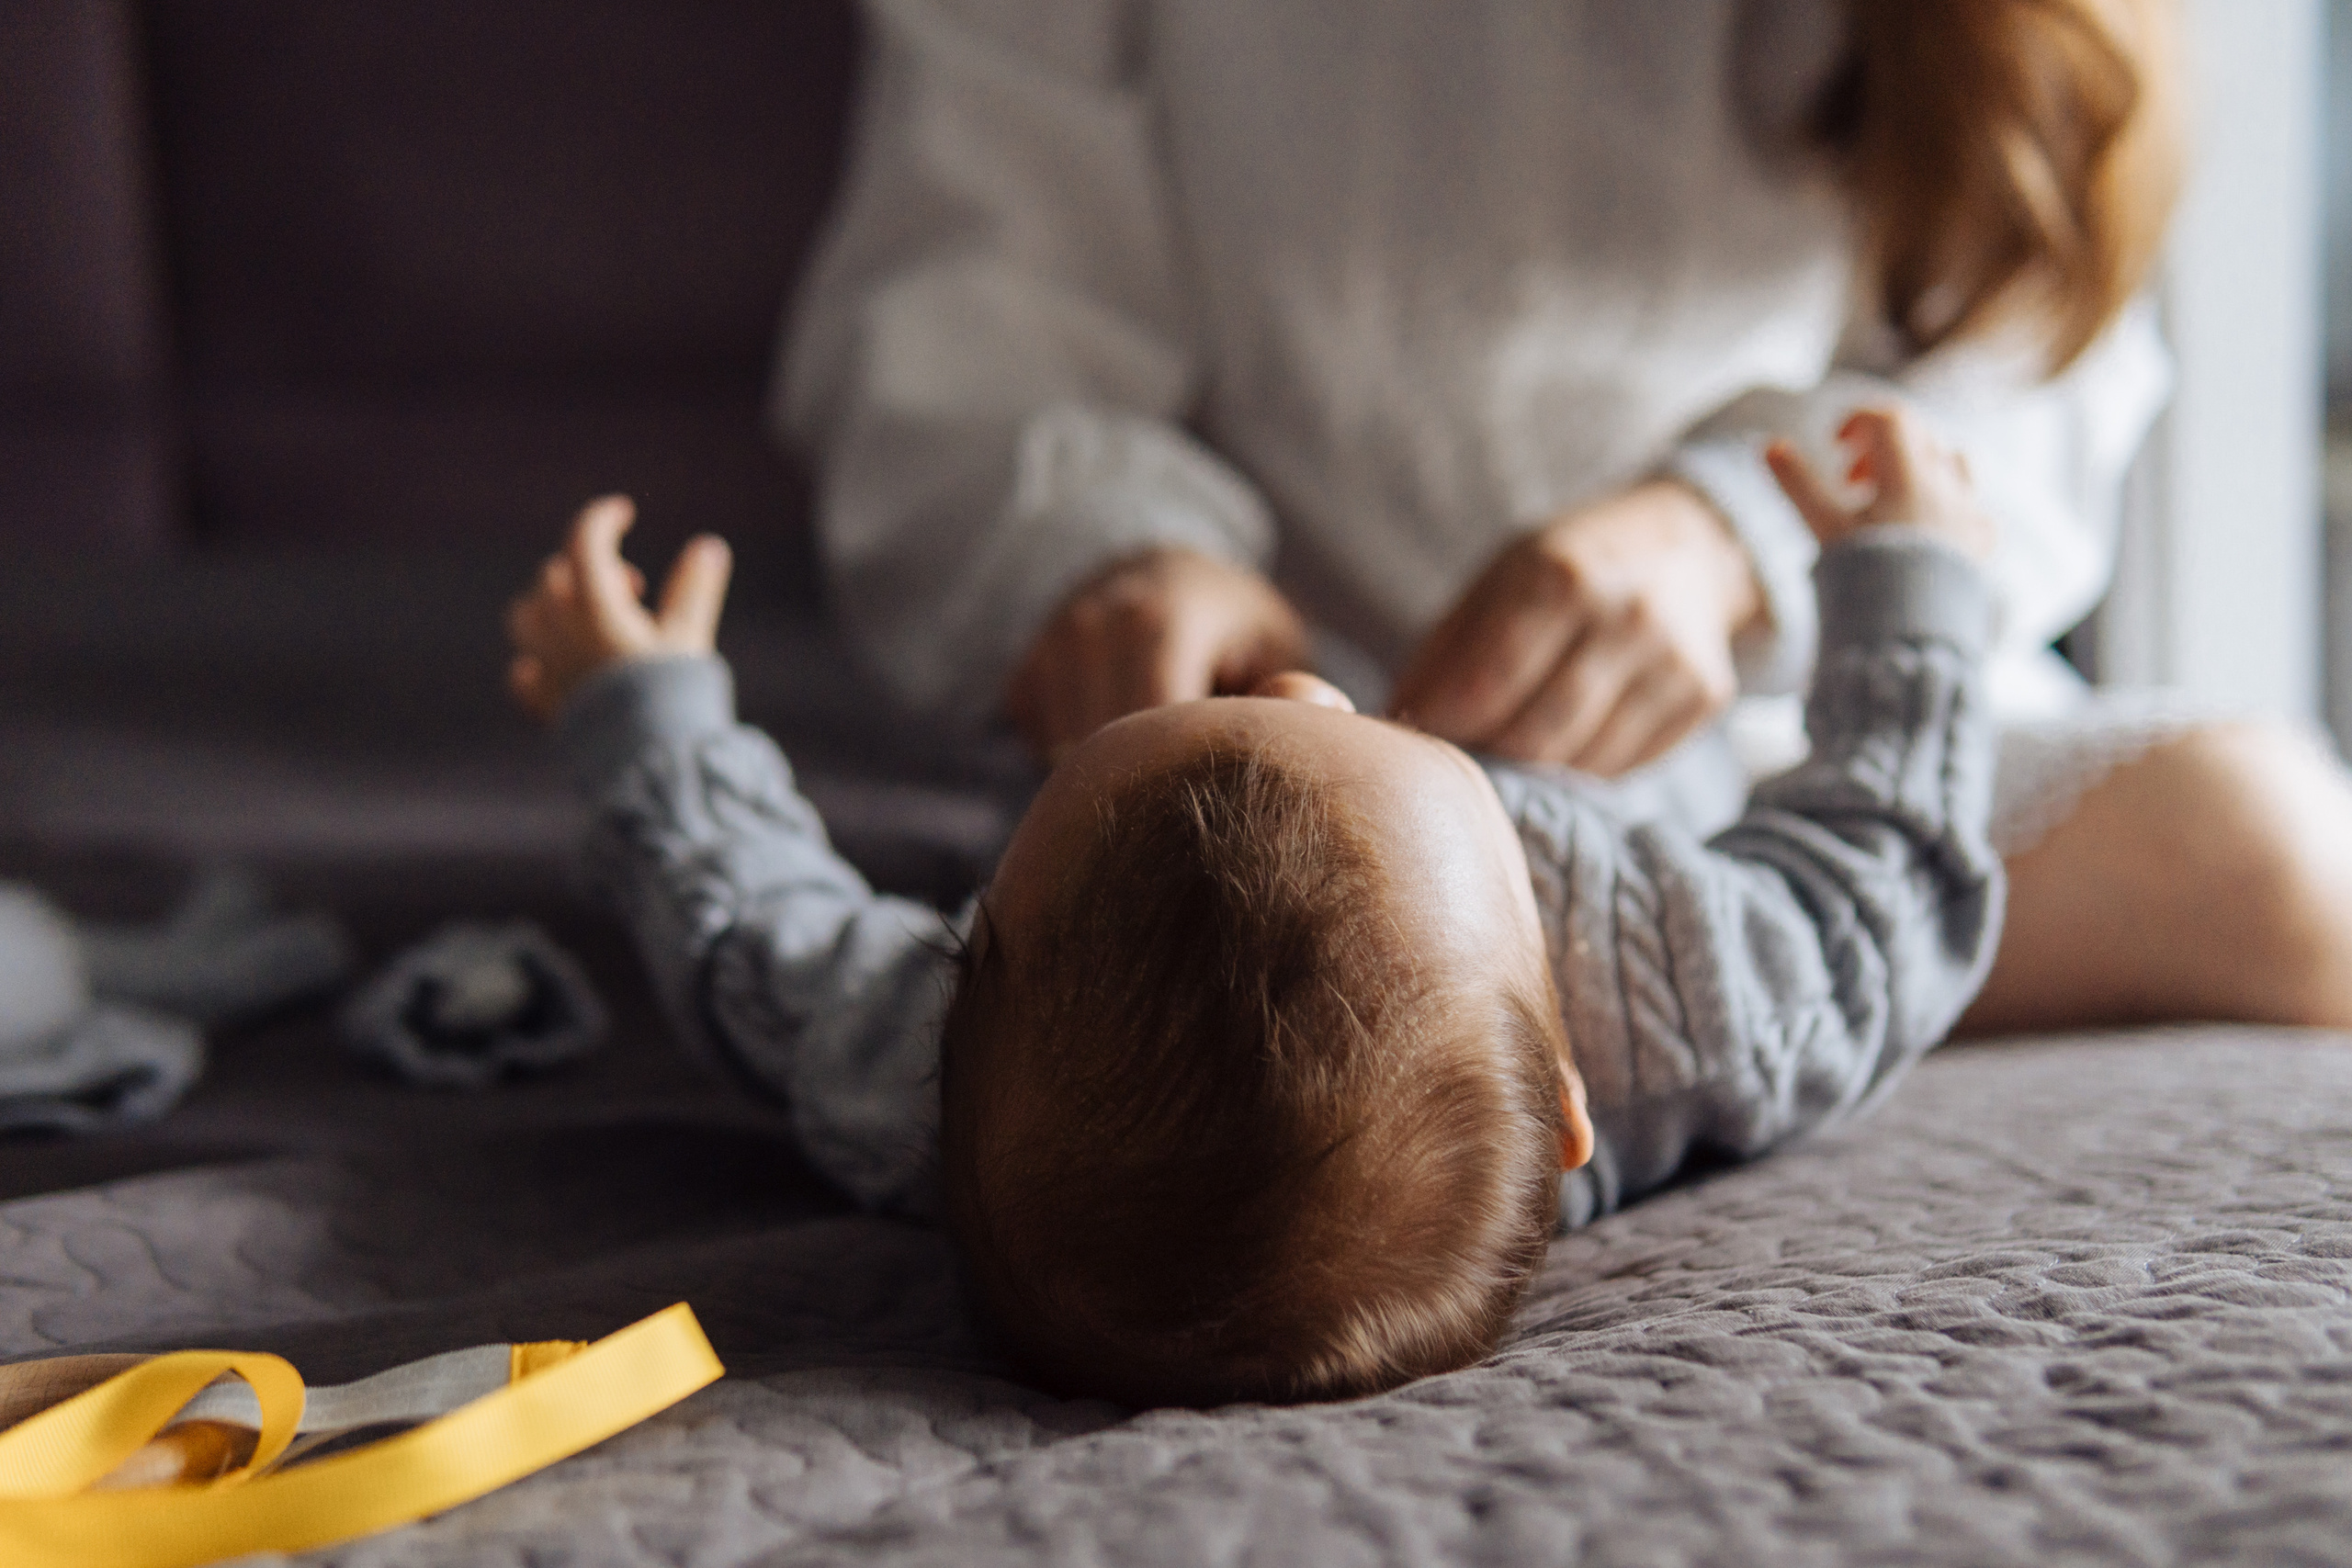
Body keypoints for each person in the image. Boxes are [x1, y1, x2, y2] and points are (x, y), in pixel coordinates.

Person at [777, 0, 2352, 1032]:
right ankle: (1577, 982)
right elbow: (964, 313)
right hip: (1296, 729)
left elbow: (2027, 391)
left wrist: (1736, 534)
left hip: (1784, 731)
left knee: (2272, 844)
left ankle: (1493, 989)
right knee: (1270, 935)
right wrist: (1110, 555)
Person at [504, 405, 2003, 1404]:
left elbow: (747, 924)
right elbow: (1886, 874)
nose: (1304, 680)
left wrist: (647, 723)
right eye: (1373, 732)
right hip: (1675, 762)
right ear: (1567, 1105)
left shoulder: (910, 1054)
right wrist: (1917, 584)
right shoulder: (1690, 998)